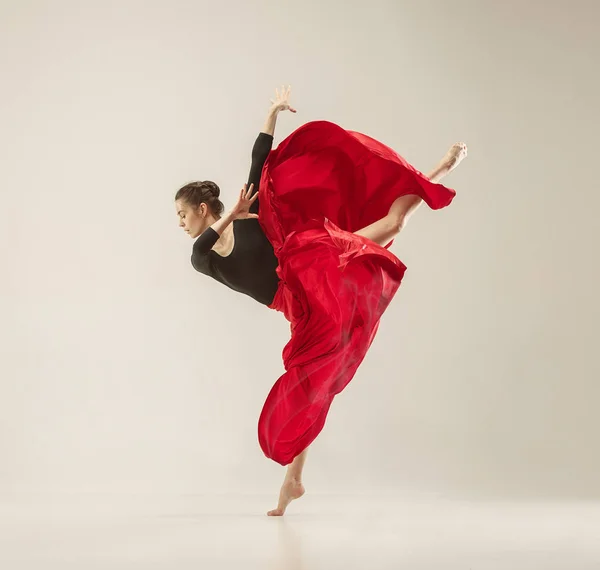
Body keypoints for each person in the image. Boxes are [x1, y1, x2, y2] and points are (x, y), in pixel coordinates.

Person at [175, 86, 467, 516]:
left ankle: (436, 172)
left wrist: (272, 112)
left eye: (183, 214)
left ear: (202, 208)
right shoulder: (205, 254)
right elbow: (201, 253)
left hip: (308, 262)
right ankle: (293, 480)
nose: (180, 222)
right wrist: (232, 214)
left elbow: (260, 156)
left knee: (393, 224)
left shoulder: (249, 204)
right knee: (311, 385)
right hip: (297, 305)